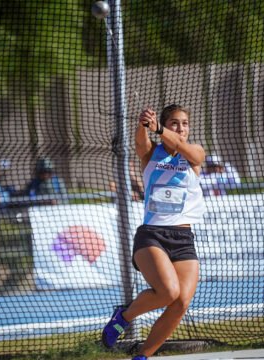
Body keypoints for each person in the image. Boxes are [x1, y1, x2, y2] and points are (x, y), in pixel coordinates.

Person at [102, 104, 206, 360]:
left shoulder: (194, 154)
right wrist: (143, 124)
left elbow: (192, 153)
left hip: (183, 239)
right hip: (152, 235)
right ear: (163, 125)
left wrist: (160, 129)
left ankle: (142, 356)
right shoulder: (151, 153)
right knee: (168, 292)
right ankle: (124, 317)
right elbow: (141, 142)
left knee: (181, 302)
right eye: (174, 123)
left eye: (184, 123)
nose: (180, 127)